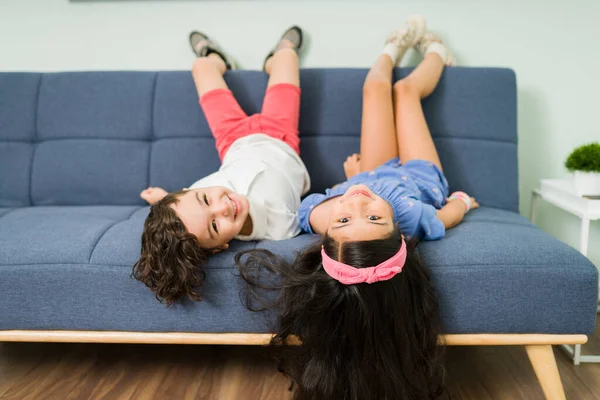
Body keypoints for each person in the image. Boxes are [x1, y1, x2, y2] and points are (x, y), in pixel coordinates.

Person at [237, 16, 477, 399]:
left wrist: (355, 181)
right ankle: (435, 51)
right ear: (397, 229)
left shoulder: (324, 210)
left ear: (326, 235)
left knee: (375, 86)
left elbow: (322, 206)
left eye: (345, 218)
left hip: (372, 169)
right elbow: (446, 217)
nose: (359, 203)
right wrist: (462, 200)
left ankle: (392, 45)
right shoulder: (412, 215)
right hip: (419, 177)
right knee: (405, 91)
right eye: (375, 217)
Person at [133, 27, 310, 305]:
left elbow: (185, 195)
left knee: (201, 66)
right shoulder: (281, 226)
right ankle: (275, 59)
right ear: (221, 246)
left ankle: (215, 57)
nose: (223, 207)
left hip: (233, 139)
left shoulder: (194, 195)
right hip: (281, 135)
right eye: (215, 225)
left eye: (206, 199)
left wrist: (161, 199)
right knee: (287, 56)